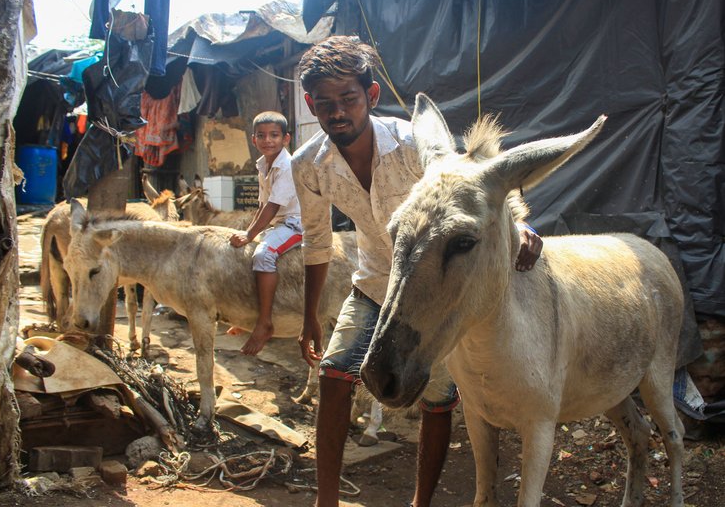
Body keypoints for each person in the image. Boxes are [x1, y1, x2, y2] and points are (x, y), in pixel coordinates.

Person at [291, 36, 543, 507]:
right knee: (335, 374)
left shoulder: (416, 147)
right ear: (310, 105)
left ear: (371, 96)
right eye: (324, 104)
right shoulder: (309, 165)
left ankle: (420, 502)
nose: (337, 113)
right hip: (372, 283)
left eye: (348, 99)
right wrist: (309, 315)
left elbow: (482, 187)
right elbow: (316, 241)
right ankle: (326, 501)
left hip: (438, 291)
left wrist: (522, 227)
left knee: (437, 395)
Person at [228, 111, 303, 356]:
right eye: (262, 135)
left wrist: (250, 235)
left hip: (295, 224)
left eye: (274, 135)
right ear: (253, 140)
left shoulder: (287, 165)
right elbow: (262, 204)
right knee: (243, 253)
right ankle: (246, 316)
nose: (268, 140)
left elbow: (273, 207)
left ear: (286, 139)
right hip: (277, 224)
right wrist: (249, 232)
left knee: (263, 255)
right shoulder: (263, 164)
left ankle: (265, 322)